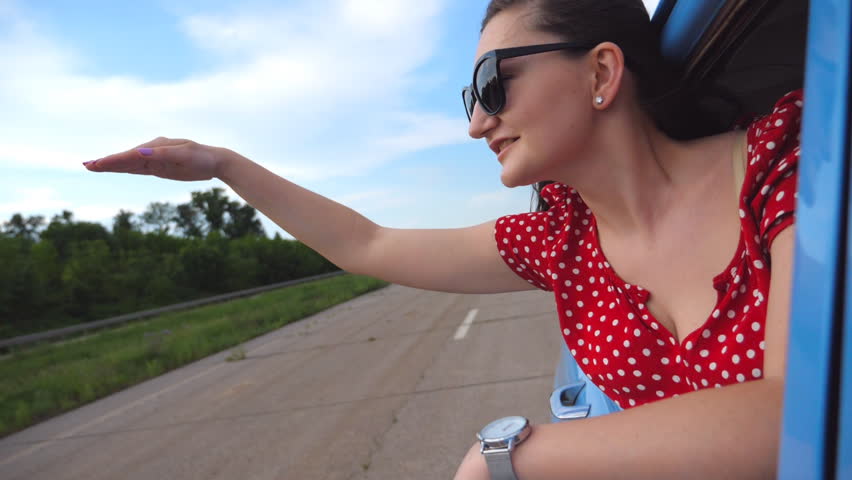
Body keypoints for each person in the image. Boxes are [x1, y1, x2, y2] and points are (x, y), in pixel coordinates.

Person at [83, 0, 800, 478]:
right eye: (470, 100)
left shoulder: (785, 161)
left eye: (493, 85)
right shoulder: (560, 244)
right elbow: (367, 244)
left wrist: (512, 455)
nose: (476, 124)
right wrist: (223, 167)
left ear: (602, 72)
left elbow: (792, 415)